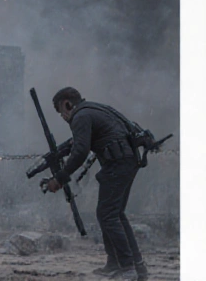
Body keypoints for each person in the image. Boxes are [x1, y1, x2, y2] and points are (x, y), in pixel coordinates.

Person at [42, 87, 147, 281]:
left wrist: (59, 178)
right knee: (114, 214)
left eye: (61, 112)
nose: (63, 117)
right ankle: (129, 265)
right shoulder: (95, 109)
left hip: (117, 163)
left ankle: (128, 269)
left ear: (67, 103)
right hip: (126, 161)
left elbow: (81, 152)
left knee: (107, 215)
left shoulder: (80, 116)